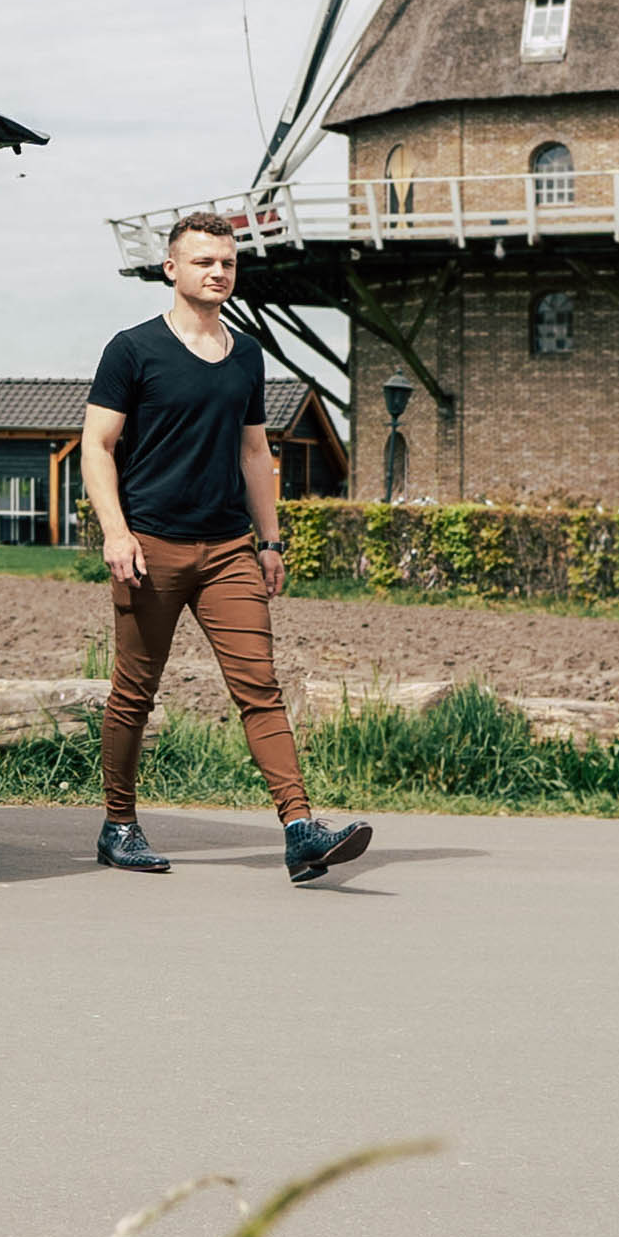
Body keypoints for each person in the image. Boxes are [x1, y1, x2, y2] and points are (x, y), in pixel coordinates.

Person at [79, 212, 372, 884]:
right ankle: (118, 825)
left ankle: (300, 830)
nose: (219, 272)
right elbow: (97, 446)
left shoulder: (245, 354)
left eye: (228, 263)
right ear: (172, 269)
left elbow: (253, 451)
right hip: (151, 546)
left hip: (228, 550)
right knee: (134, 693)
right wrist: (115, 532)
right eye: (205, 261)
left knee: (260, 689)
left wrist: (268, 541)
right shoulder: (132, 349)